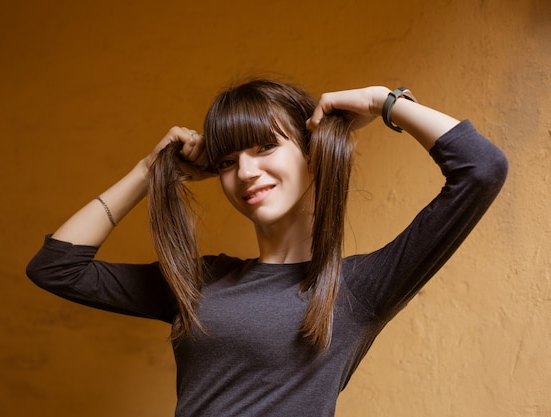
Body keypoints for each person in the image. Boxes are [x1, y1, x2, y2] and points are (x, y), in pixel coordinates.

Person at [26, 79, 508, 417]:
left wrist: (382, 100)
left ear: (311, 152)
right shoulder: (198, 281)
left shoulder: (357, 288)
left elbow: (481, 168)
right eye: (229, 160)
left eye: (264, 148)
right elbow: (56, 267)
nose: (246, 172)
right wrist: (149, 171)